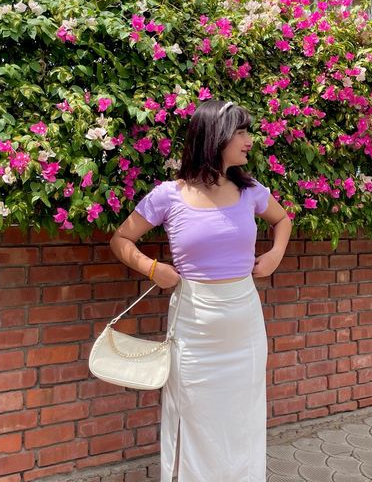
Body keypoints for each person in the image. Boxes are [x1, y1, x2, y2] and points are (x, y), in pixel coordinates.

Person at [110, 99, 292, 482]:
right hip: (193, 324)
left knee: (243, 415)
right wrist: (152, 267)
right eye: (241, 132)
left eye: (248, 131)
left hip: (244, 322)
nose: (249, 140)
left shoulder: (251, 191)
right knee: (192, 416)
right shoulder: (168, 195)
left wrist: (275, 254)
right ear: (215, 136)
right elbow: (121, 238)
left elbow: (282, 220)